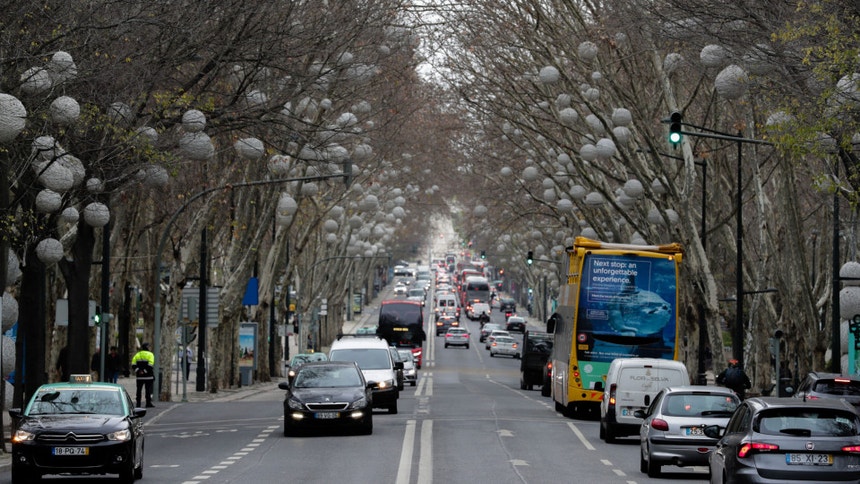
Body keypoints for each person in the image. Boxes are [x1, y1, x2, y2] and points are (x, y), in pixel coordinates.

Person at [131, 343, 156, 407]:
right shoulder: (150, 354)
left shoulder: (137, 354)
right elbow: (150, 365)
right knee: (148, 390)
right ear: (147, 347)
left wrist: (138, 371)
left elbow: (133, 364)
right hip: (148, 376)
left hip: (139, 377)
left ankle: (138, 403)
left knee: (138, 390)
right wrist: (144, 371)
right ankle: (148, 403)